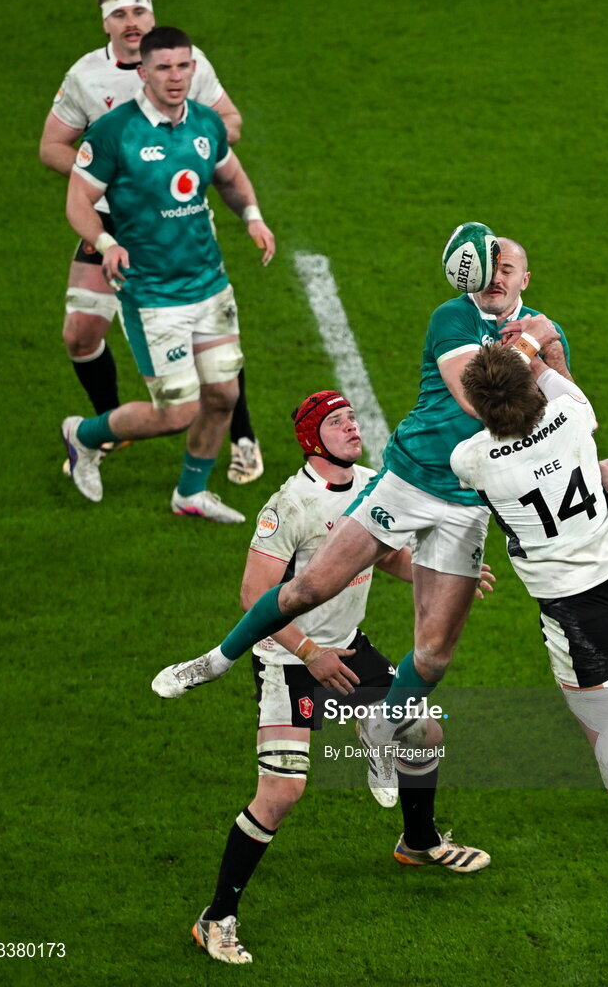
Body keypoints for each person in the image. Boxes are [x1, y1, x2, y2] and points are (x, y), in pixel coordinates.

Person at [151, 236, 565, 800]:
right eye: (488, 267)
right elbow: (477, 401)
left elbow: (566, 406)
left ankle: (381, 723)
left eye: (507, 268)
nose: (495, 276)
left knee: (434, 656)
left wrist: (549, 350)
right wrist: (529, 349)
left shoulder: (543, 328)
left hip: (469, 500)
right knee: (310, 587)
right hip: (408, 479)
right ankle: (216, 659)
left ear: (525, 279)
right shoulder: (452, 317)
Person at [183, 391, 490, 964]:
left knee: (424, 732)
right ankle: (216, 918)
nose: (353, 426)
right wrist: (308, 651)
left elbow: (386, 553)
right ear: (310, 438)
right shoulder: (288, 505)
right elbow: (255, 596)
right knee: (281, 793)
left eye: (352, 418)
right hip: (289, 663)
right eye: (338, 421)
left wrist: (444, 570)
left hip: (349, 652)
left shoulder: (376, 482)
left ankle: (418, 842)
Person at [448, 339, 608, 923]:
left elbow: (476, 435)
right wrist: (532, 346)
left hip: (577, 619)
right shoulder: (568, 415)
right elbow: (556, 381)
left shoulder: (473, 459)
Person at [40, 0, 264, 486]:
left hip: (174, 224)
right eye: (120, 15)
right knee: (79, 334)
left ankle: (243, 437)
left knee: (209, 321)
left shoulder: (185, 61)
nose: (133, 22)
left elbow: (230, 121)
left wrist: (188, 146)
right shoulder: (85, 77)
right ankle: (107, 427)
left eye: (140, 12)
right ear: (106, 24)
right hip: (113, 224)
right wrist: (114, 170)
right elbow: (50, 146)